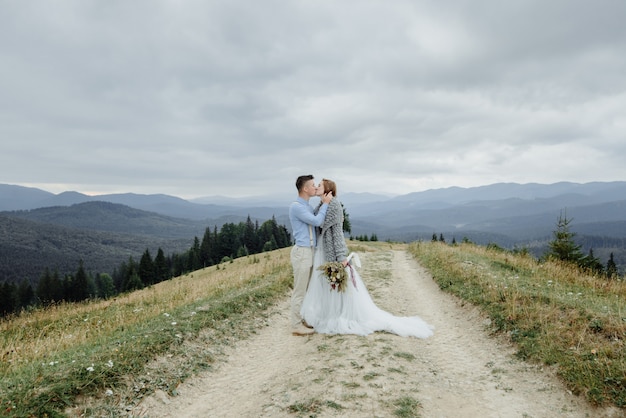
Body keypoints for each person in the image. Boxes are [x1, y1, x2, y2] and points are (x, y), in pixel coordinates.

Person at [301, 178, 434, 338]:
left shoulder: (334, 205)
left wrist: (342, 256)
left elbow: (337, 233)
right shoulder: (322, 205)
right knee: (326, 284)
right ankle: (328, 314)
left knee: (338, 285)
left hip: (331, 251)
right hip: (322, 250)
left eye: (320, 185)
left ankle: (340, 316)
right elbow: (316, 222)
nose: (317, 187)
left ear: (328, 189)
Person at [289, 174, 333, 336]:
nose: (315, 188)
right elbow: (316, 222)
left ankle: (302, 318)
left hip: (310, 251)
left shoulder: (307, 206)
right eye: (313, 185)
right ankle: (295, 325)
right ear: (305, 189)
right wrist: (326, 205)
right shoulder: (297, 206)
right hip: (302, 252)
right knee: (300, 290)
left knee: (307, 289)